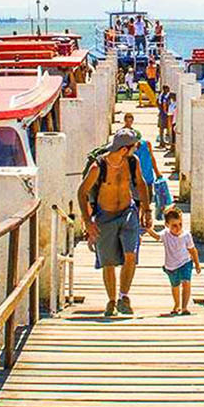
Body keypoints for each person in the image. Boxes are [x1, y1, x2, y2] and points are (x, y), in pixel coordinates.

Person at [78, 128, 151, 316]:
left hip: (128, 212)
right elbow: (82, 192)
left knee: (130, 255)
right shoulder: (98, 167)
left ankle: (123, 296)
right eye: (134, 146)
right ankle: (111, 301)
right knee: (108, 262)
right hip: (105, 216)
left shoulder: (132, 162)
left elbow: (141, 184)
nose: (136, 149)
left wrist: (147, 210)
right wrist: (87, 221)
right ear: (124, 149)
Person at [147, 206, 200, 315]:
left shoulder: (186, 235)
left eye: (180, 224)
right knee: (175, 285)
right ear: (167, 225)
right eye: (174, 225)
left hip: (185, 262)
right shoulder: (165, 234)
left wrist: (197, 264)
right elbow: (156, 236)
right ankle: (177, 304)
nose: (178, 228)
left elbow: (192, 250)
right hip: (171, 266)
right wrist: (148, 229)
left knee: (186, 282)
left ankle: (184, 307)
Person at [123, 113, 165, 226]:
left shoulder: (147, 144)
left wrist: (157, 172)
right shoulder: (129, 149)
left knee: (147, 198)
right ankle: (139, 218)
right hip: (135, 177)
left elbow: (152, 158)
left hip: (147, 176)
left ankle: (142, 217)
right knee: (137, 199)